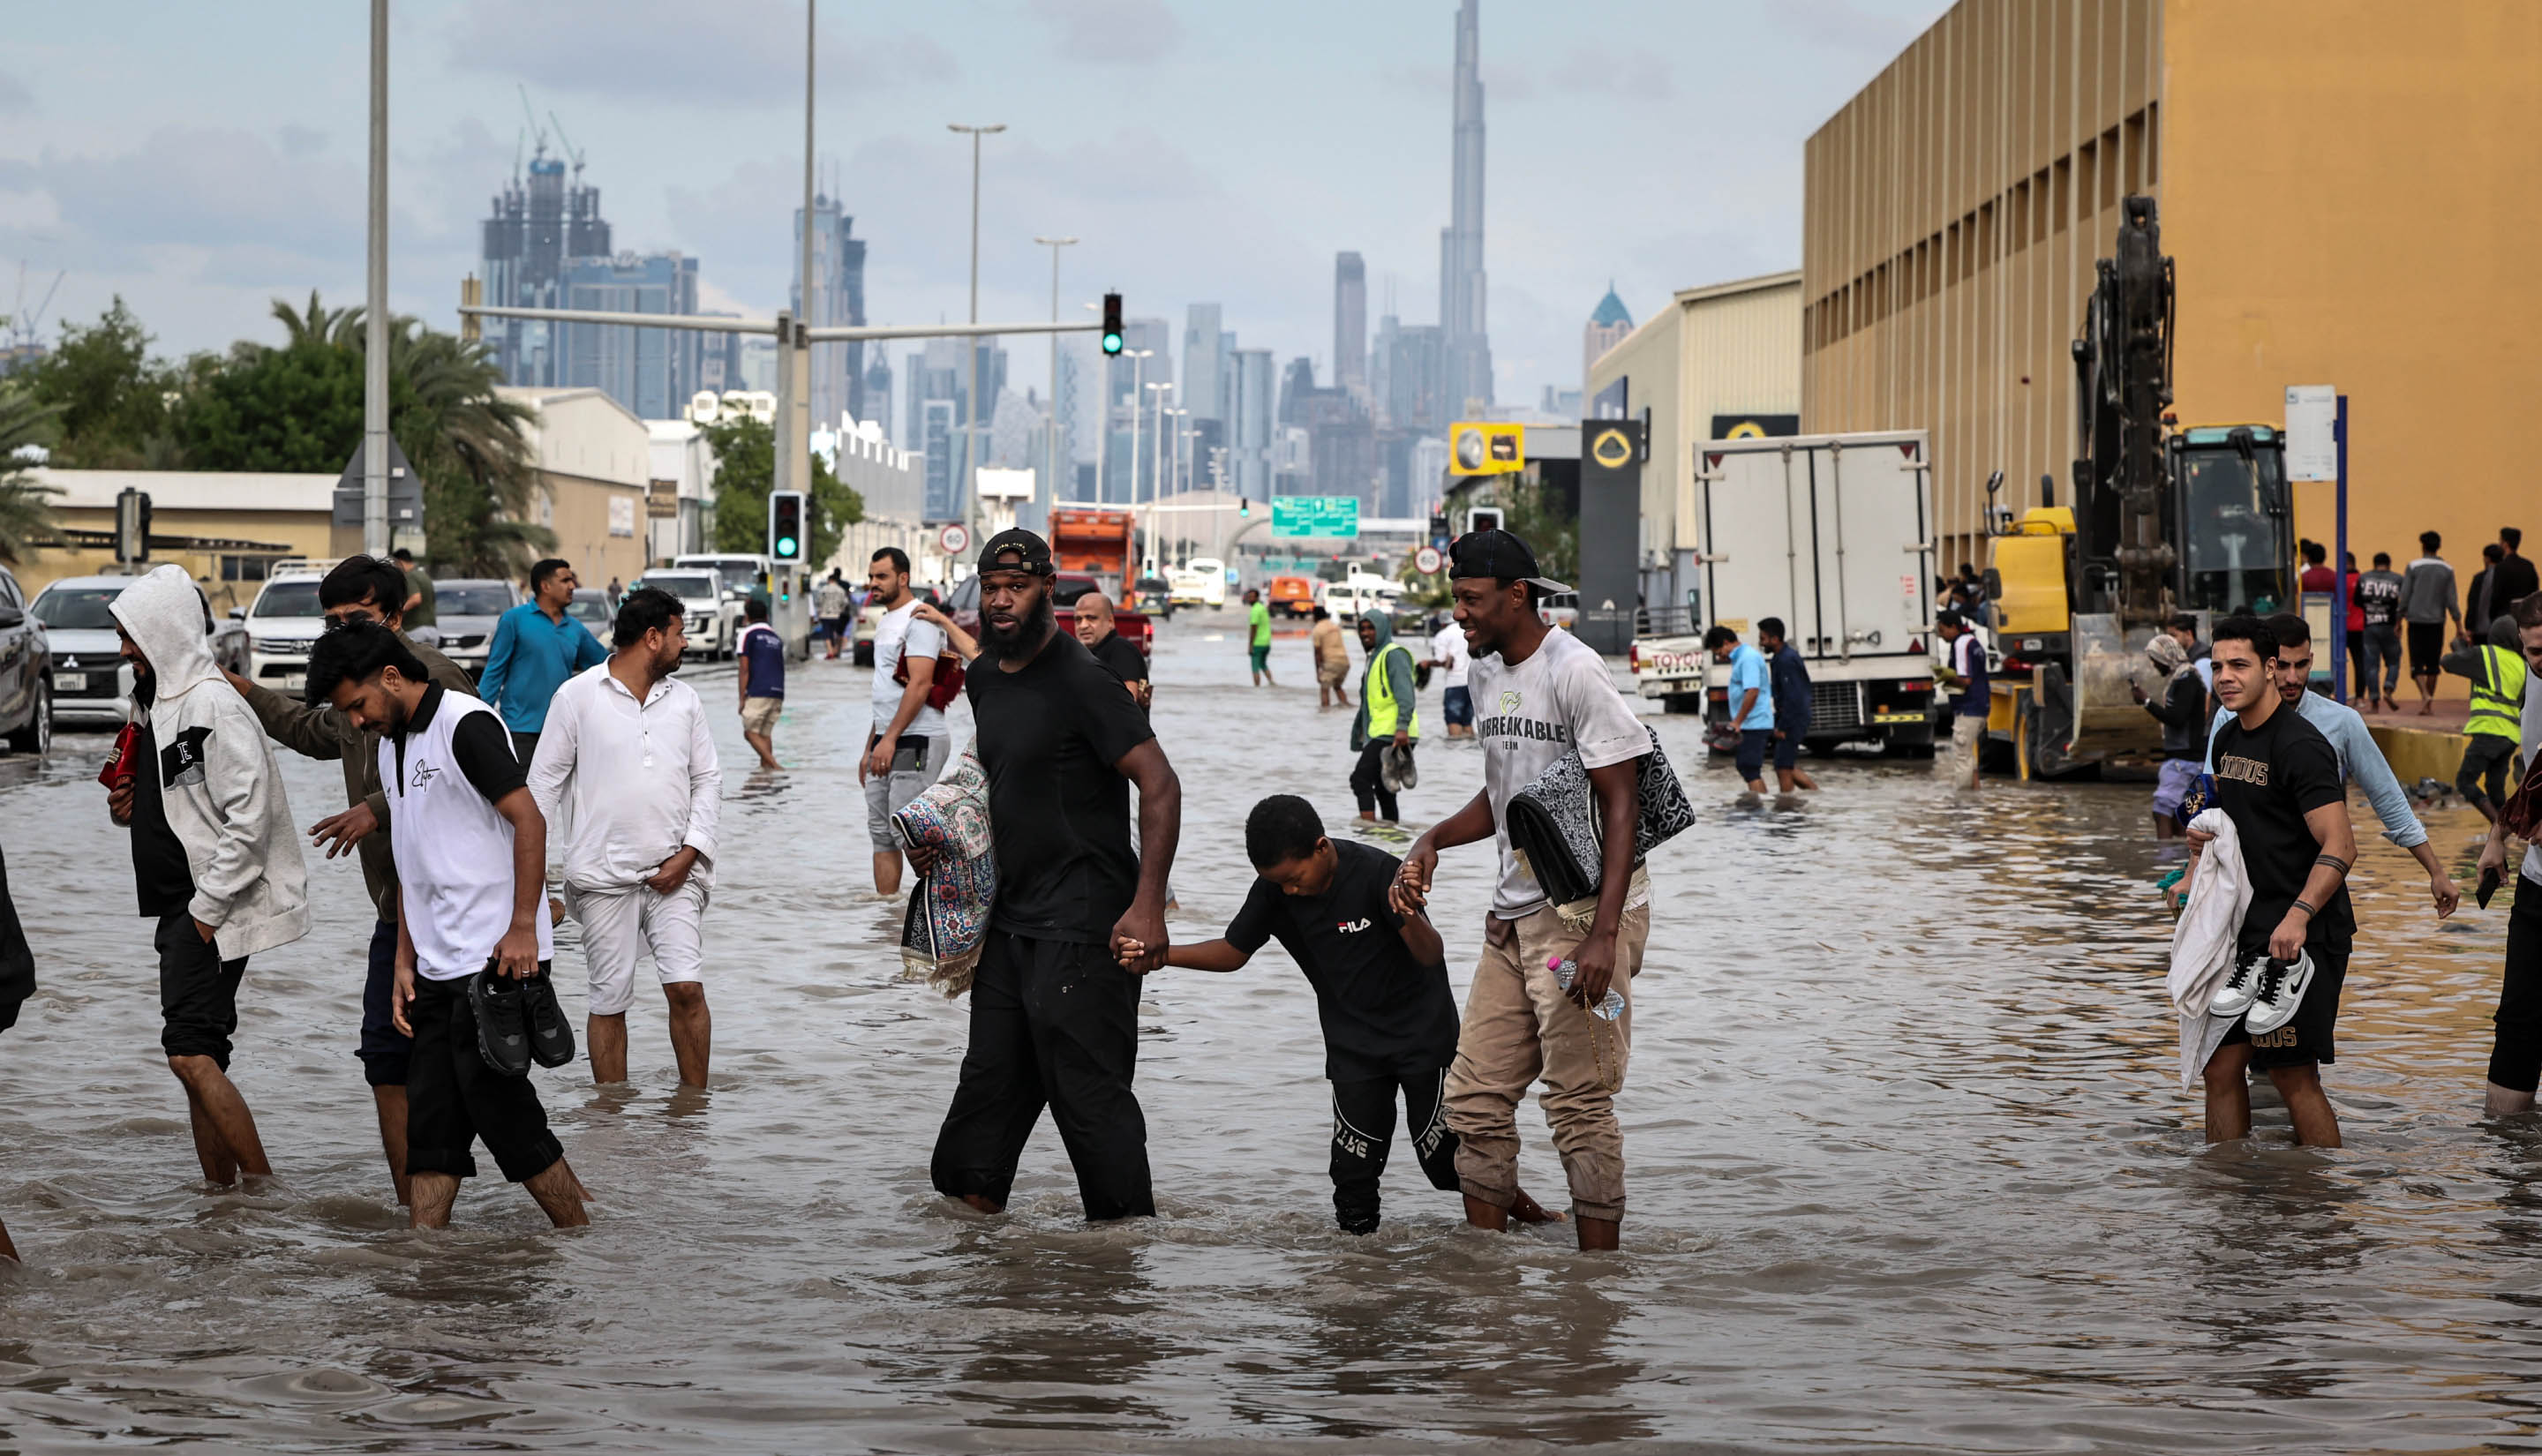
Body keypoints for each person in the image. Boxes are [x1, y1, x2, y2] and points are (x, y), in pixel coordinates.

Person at [1393, 529, 1650, 1251]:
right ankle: (1489, 1278)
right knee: (1473, 1100)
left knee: (1578, 1103)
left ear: (1517, 595)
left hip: (1581, 921)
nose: (1460, 614)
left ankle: (1597, 1290)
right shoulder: (1483, 675)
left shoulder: (1575, 669)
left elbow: (1621, 801)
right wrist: (1433, 838)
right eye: (1456, 600)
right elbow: (1508, 795)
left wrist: (1603, 938)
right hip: (1511, 921)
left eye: (1471, 600)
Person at [922, 529, 1181, 1223]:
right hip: (1011, 925)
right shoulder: (983, 678)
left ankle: (1122, 1261)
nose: (1002, 601)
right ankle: (979, 1263)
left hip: (1087, 925)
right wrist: (944, 847)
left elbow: (1160, 783)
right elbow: (996, 784)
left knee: (1091, 1104)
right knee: (984, 1102)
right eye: (992, 588)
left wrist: (1148, 907)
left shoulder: (1084, 681)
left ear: (1047, 591)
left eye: (1018, 587)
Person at [305, 622, 589, 1230]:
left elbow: (530, 820)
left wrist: (523, 929)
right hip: (435, 964)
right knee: (432, 1124)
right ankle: (427, 1260)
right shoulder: (389, 745)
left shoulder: (466, 724)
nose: (355, 721)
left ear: (391, 676)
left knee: (505, 1114)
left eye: (357, 705)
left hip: (495, 958)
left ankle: (584, 1241)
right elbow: (412, 861)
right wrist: (404, 960)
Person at [223, 555, 472, 1205]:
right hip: (396, 909)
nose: (341, 630)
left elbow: (475, 775)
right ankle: (417, 1220)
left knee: (483, 1076)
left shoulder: (437, 678)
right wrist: (242, 689)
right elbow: (312, 730)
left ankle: (569, 1215)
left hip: (457, 908)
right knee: (386, 1062)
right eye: (331, 621)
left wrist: (376, 808)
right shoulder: (349, 688)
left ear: (395, 616)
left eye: (355, 617)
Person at [1118, 795, 1487, 1235]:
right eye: (1279, 884)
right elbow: (1234, 952)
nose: (1289, 891)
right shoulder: (1274, 891)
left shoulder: (1377, 872)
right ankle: (1359, 1268)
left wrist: (1407, 913)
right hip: (1354, 1048)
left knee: (1444, 1164)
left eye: (1294, 879)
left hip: (1423, 1038)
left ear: (1321, 847)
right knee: (1351, 1177)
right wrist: (1161, 955)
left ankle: (1524, 1217)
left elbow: (1431, 955)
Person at [105, 566, 312, 1187]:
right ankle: (223, 1201)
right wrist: (127, 808)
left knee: (190, 1054)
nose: (124, 650)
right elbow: (184, 800)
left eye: (131, 636)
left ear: (162, 632)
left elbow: (251, 818)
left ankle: (264, 1189)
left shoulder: (213, 704)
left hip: (207, 909)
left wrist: (207, 910)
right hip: (179, 905)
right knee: (200, 1057)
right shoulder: (156, 704)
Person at [529, 588, 719, 1088]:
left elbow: (708, 780)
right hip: (602, 878)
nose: (686, 643)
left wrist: (690, 853)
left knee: (687, 989)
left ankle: (693, 1113)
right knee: (609, 1000)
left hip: (676, 874)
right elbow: (541, 791)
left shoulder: (685, 700)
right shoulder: (576, 697)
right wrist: (532, 883)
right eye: (679, 633)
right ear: (653, 638)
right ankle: (610, 1116)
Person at [2185, 616, 2358, 1148]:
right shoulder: (2227, 738)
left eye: (2239, 665)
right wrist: (2196, 857)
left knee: (2291, 1074)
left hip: (2305, 935)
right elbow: (2230, 827)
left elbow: (2340, 845)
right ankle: (2227, 1188)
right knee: (2219, 1067)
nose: (2226, 676)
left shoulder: (2300, 746)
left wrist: (2299, 916)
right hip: (2249, 934)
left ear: (2270, 668)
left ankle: (2321, 1190)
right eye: (2218, 666)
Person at [2200, 612, 2460, 918]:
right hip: (2246, 893)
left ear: (2311, 660)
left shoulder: (2339, 723)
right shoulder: (2230, 720)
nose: (2292, 678)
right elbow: (2210, 805)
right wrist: (2192, 876)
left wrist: (2436, 871)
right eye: (2283, 666)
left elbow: (2386, 798)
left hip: (2313, 888)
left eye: (2301, 665)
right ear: (2268, 665)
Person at [2475, 592, 2542, 1115]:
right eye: (2532, 651)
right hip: (2537, 884)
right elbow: (2532, 773)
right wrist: (2497, 835)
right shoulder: (2533, 684)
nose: (2539, 662)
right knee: (2517, 1020)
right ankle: (2504, 1150)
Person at [863, 546, 949, 895]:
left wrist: (889, 740)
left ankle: (943, 906)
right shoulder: (886, 621)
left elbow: (920, 684)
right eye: (871, 576)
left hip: (917, 737)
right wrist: (870, 747)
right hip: (887, 738)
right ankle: (887, 914)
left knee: (910, 833)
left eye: (881, 576)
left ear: (903, 578)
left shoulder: (920, 619)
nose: (873, 583)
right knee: (881, 832)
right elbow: (886, 691)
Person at [477, 557, 606, 764]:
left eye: (572, 580)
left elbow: (606, 666)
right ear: (545, 586)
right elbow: (494, 671)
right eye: (565, 580)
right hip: (519, 731)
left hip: (561, 731)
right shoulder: (514, 619)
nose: (573, 586)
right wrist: (479, 719)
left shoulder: (575, 628)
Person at [2442, 614, 2527, 826]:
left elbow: (2448, 662)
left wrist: (2461, 648)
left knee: (2465, 781)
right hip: (2511, 736)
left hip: (2489, 730)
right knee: (2495, 787)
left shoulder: (2485, 654)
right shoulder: (2522, 664)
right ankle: (2510, 829)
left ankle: (2501, 828)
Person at [2132, 634, 2206, 839]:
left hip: (2184, 760)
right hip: (2186, 759)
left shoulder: (2187, 680)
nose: (2155, 666)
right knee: (2179, 817)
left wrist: (2146, 702)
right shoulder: (2182, 679)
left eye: (2155, 660)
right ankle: (2178, 855)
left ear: (2165, 657)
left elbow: (2176, 718)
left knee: (2162, 810)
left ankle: (2164, 855)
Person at [1349, 612, 1420, 822]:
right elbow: (1368, 703)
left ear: (1382, 629)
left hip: (1393, 732)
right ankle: (1391, 834)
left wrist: (1402, 727)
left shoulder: (1393, 655)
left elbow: (1406, 695)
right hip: (1383, 731)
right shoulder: (1375, 656)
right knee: (1383, 787)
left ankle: (1366, 831)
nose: (1366, 633)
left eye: (1371, 628)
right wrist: (1359, 735)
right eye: (1362, 629)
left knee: (1360, 779)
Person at [1704, 625, 1773, 796]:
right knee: (1746, 767)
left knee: (1749, 767)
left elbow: (1753, 691)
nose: (1719, 657)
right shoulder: (1741, 658)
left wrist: (1737, 722)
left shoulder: (1747, 658)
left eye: (1718, 652)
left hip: (1755, 723)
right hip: (1750, 723)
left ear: (1726, 643)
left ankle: (1759, 807)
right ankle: (1760, 803)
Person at [2401, 531, 2461, 716]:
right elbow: (2452, 600)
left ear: (2423, 546)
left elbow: (2405, 596)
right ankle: (2428, 705)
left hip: (2415, 621)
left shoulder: (2413, 566)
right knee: (2433, 664)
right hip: (2437, 621)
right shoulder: (2447, 569)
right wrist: (2459, 625)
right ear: (2439, 546)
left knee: (2416, 663)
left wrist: (2398, 619)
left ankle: (2425, 695)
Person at [1756, 617, 1818, 793]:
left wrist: (1783, 726)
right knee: (1784, 764)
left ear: (1775, 639)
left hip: (1794, 717)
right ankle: (1815, 795)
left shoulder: (1786, 660)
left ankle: (1787, 804)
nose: (1761, 643)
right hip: (1790, 716)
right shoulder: (1780, 658)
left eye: (1763, 639)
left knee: (1783, 766)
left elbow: (1793, 696)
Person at [1935, 608, 1989, 791]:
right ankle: (1975, 795)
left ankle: (1964, 801)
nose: (1941, 636)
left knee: (1962, 756)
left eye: (1942, 630)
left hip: (1968, 709)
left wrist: (1945, 675)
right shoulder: (1973, 641)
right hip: (1979, 707)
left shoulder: (1961, 644)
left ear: (1953, 627)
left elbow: (1965, 680)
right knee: (1969, 755)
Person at [1075, 591, 1150, 709]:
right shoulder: (1081, 655)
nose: (1083, 625)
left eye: (1091, 618)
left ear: (1110, 622)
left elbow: (1127, 703)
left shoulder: (1122, 650)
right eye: (1078, 619)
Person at [737, 597, 785, 772]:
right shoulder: (775, 636)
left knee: (750, 732)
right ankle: (766, 776)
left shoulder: (747, 634)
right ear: (766, 616)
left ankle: (775, 767)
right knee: (765, 734)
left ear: (747, 617)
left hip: (758, 691)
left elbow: (744, 669)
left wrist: (742, 698)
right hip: (778, 692)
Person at [2354, 552, 2405, 712]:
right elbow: (2403, 603)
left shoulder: (2364, 578)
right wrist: (2399, 623)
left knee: (2371, 666)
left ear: (2374, 564)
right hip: (2390, 626)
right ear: (2389, 564)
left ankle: (2374, 702)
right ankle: (2388, 689)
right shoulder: (2398, 579)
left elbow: (2357, 601)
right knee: (2394, 662)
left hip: (2370, 626)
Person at [1425, 611, 1474, 739]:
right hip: (1473, 683)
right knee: (1467, 721)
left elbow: (1441, 660)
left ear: (1442, 624)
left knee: (1453, 720)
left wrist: (1427, 663)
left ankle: (1454, 751)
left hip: (1455, 682)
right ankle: (1470, 748)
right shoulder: (1469, 631)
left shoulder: (1443, 635)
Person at [1310, 605, 1352, 709]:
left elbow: (1317, 653)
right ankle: (1346, 707)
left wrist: (1318, 671)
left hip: (1331, 662)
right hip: (1344, 662)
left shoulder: (1317, 630)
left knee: (1324, 689)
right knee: (1337, 687)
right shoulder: (1335, 626)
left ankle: (1325, 712)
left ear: (1315, 616)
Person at [2468, 542, 2508, 643]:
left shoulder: (2479, 578)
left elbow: (2472, 603)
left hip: (2480, 629)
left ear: (2487, 559)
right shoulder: (2507, 578)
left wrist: (2469, 627)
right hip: (2501, 629)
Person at [2495, 527, 2539, 609]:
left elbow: (2496, 595)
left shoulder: (2501, 567)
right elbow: (2535, 593)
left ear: (2505, 544)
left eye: (2500, 541)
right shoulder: (2528, 566)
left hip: (2506, 613)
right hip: (2525, 613)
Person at [393, 547, 435, 629]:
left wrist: (397, 612)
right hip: (431, 627)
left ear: (400, 562)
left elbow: (416, 599)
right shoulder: (424, 575)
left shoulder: (409, 576)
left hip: (415, 628)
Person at [816, 569, 852, 660]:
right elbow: (845, 602)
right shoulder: (841, 590)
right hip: (837, 615)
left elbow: (818, 602)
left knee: (827, 634)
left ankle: (830, 652)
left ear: (829, 580)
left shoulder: (823, 589)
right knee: (837, 633)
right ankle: (835, 651)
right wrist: (840, 610)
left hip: (825, 615)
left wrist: (819, 612)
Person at [1245, 588, 1276, 687]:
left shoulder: (1255, 610)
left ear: (1257, 598)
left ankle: (1257, 689)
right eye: (1249, 597)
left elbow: (1253, 629)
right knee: (1263, 664)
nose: (1250, 599)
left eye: (1252, 597)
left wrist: (1250, 645)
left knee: (1255, 668)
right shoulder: (1262, 608)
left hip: (1257, 644)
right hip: (1266, 643)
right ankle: (1272, 683)